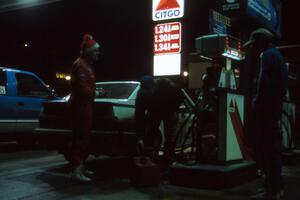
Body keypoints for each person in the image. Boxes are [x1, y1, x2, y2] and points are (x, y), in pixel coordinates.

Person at [244, 28, 288, 200]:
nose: (253, 48)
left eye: (254, 44)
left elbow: (264, 83)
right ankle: (277, 186)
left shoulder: (266, 56)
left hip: (265, 109)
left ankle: (272, 190)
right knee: (273, 148)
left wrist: (256, 104)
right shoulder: (277, 55)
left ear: (262, 41)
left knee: (266, 148)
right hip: (274, 108)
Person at [69, 33, 100, 182]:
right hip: (81, 105)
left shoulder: (85, 65)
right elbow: (83, 89)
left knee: (84, 137)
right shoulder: (81, 65)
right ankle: (76, 170)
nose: (97, 54)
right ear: (89, 52)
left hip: (83, 104)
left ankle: (80, 168)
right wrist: (95, 93)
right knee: (80, 137)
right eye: (95, 51)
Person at [147, 77, 184, 170]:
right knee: (169, 135)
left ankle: (151, 154)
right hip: (169, 112)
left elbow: (149, 99)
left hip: (156, 112)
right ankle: (168, 156)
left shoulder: (155, 88)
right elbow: (180, 97)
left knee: (152, 132)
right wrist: (175, 108)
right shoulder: (174, 88)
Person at [134, 75, 155, 154]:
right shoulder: (148, 92)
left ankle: (140, 152)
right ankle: (147, 153)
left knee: (139, 135)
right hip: (145, 118)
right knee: (147, 136)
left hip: (139, 117)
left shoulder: (140, 92)